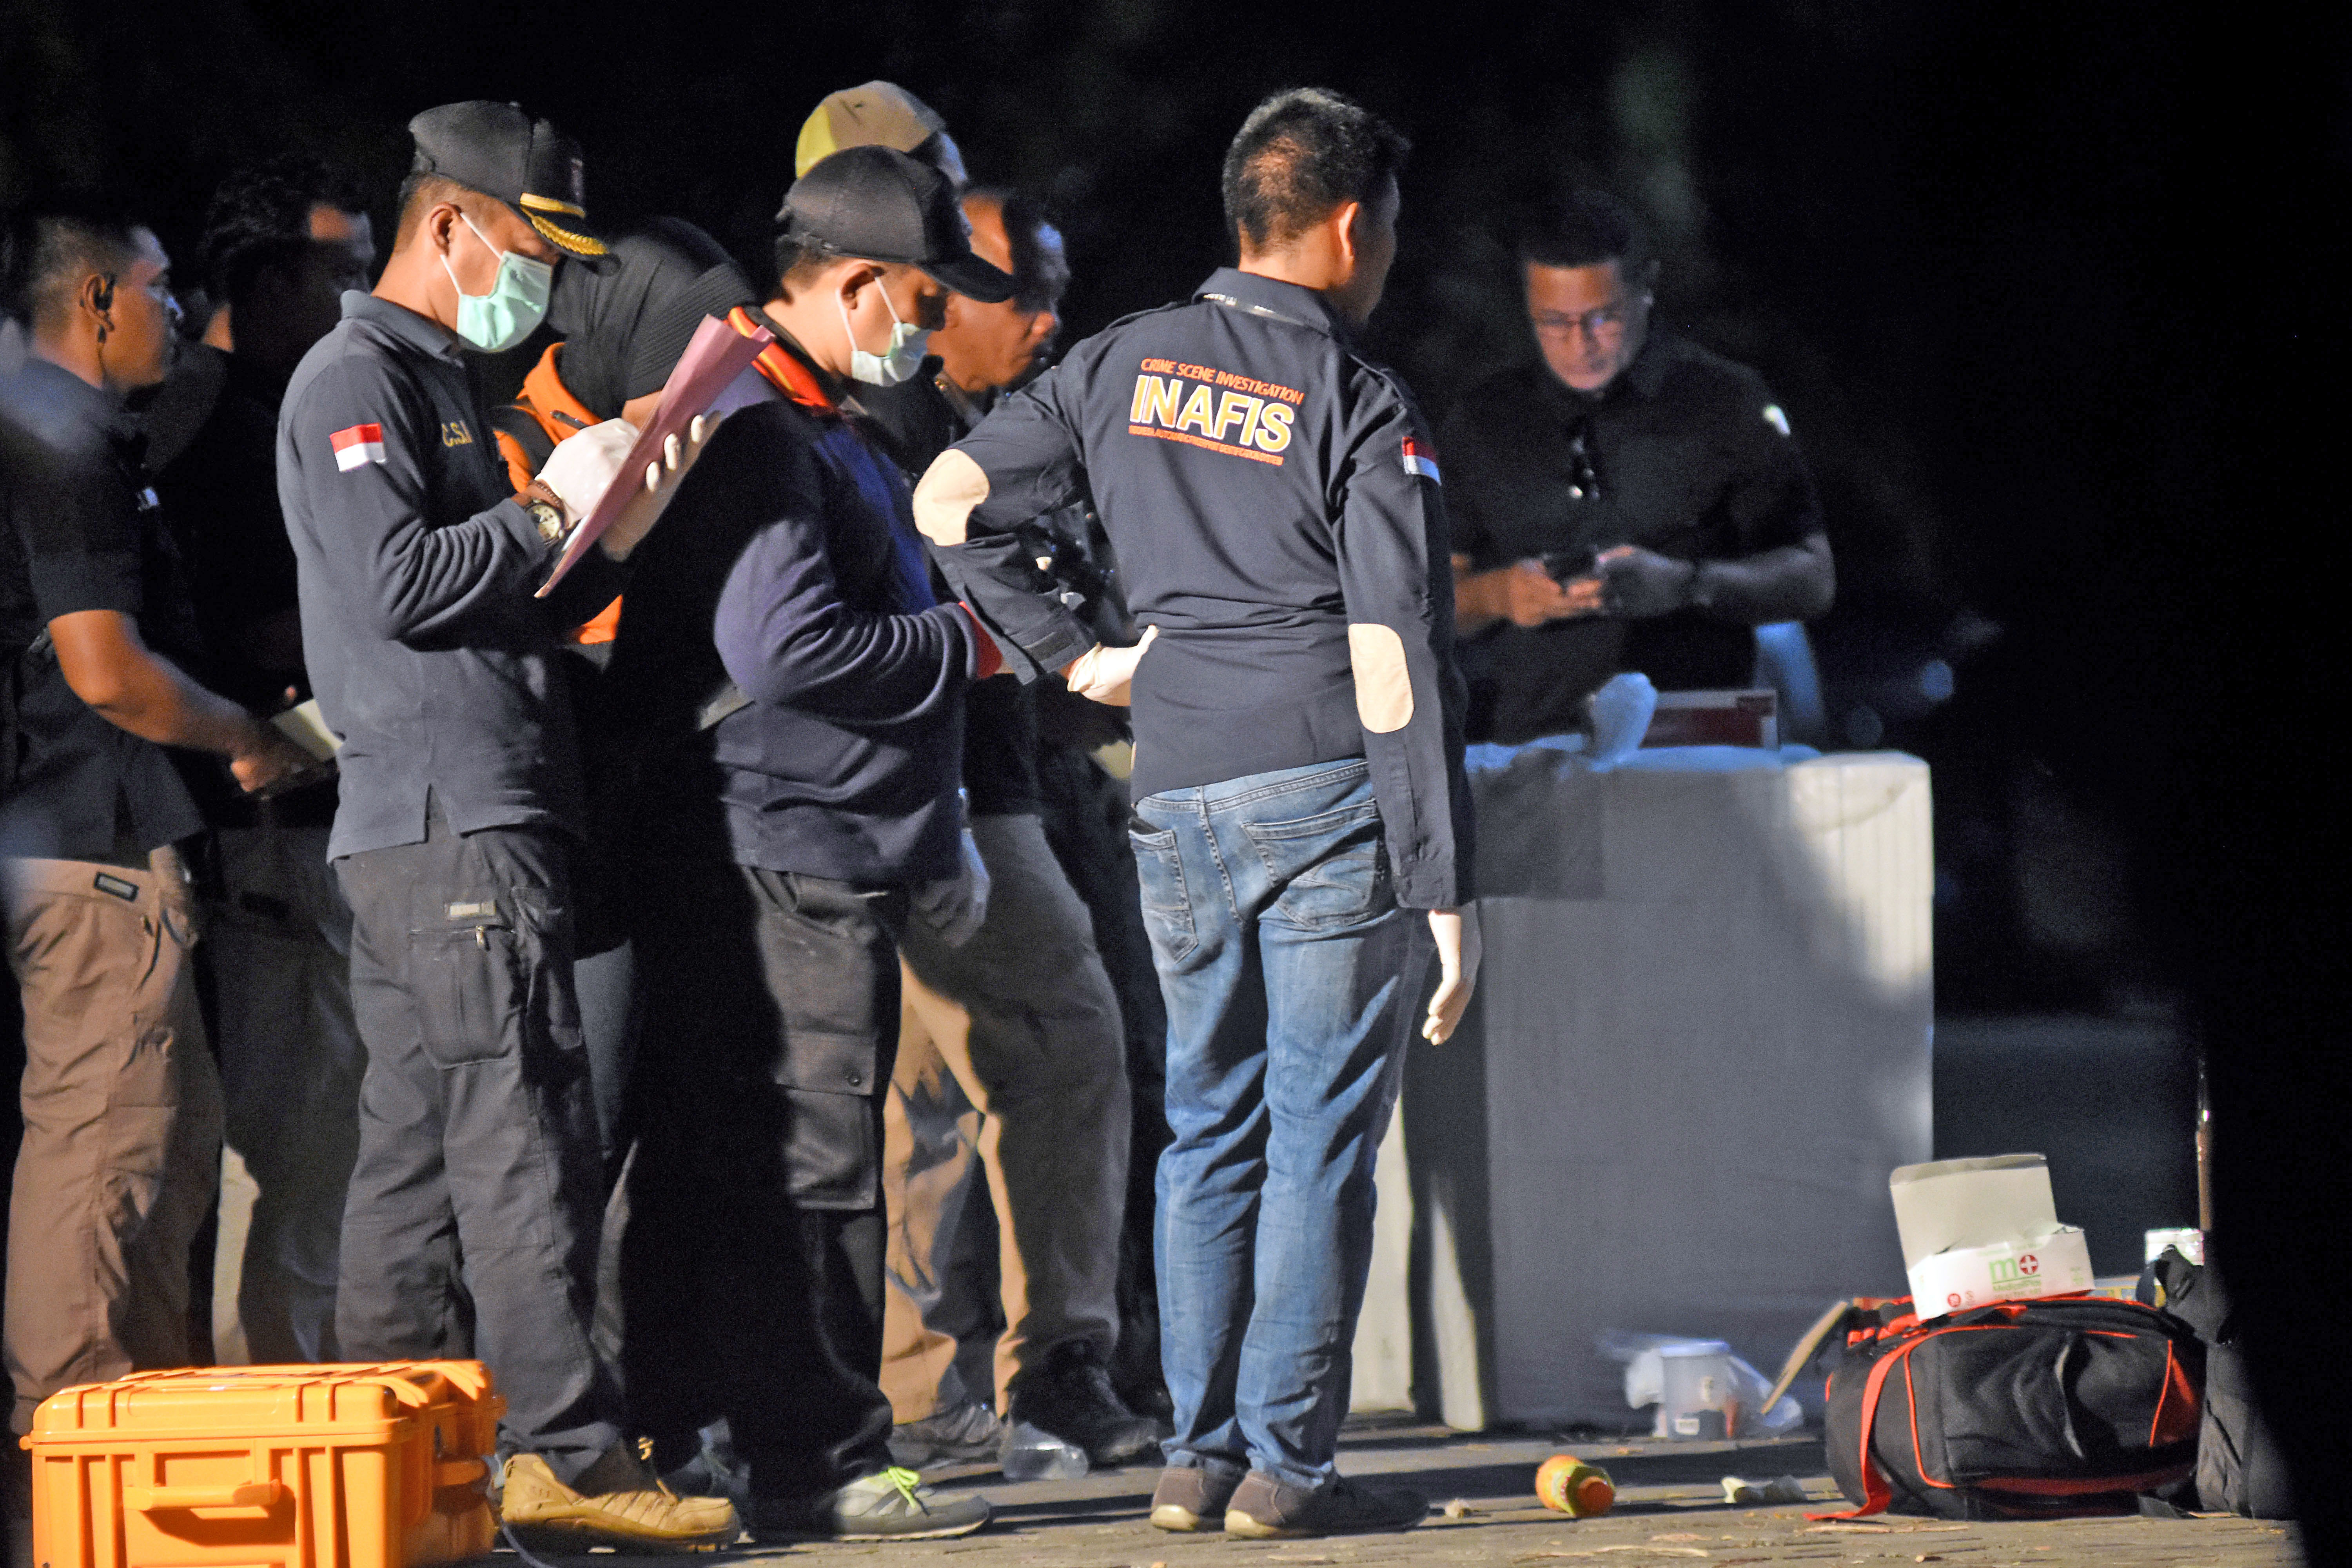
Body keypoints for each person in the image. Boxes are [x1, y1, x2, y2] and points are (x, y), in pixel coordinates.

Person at [913, 87, 1480, 1539]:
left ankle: (1196, 1456)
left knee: (1208, 1129)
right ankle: (1287, 1470)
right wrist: (1442, 881)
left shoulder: (1120, 361)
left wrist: (1075, 651)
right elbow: (1390, 654)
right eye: (1393, 227)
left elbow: (949, 497)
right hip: (1325, 794)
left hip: (1176, 793)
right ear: (1352, 228)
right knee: (1317, 1141)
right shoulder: (1358, 405)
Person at [274, 101, 734, 1551]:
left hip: (453, 819)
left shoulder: (446, 384)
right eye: (535, 246)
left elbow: (478, 590)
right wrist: (548, 513)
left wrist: (596, 523)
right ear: (450, 223)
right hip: (454, 820)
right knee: (523, 1136)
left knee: (411, 1168)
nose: (548, 280)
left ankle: (393, 1474)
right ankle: (570, 1459)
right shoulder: (359, 377)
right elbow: (403, 584)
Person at [601, 143, 1014, 1543]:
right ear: (849, 281)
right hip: (794, 858)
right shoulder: (771, 432)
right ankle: (817, 1458)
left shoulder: (814, 417)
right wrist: (965, 641)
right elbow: (786, 650)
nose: (935, 321)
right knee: (820, 1170)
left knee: (751, 1160)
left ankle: (712, 1433)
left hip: (811, 848)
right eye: (918, 292)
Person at [791, 83, 1159, 1472]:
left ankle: (949, 1397)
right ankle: (1031, 1373)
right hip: (934, 805)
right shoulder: (869, 424)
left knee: (939, 1108)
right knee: (1049, 1056)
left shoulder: (986, 422)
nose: (1046, 314)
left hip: (983, 791)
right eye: (1014, 285)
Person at [0, 196, 317, 1436]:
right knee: (104, 1152)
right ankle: (74, 1431)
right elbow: (103, 668)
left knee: (151, 1149)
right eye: (158, 286)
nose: (177, 313)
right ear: (95, 299)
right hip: (95, 848)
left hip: (70, 838)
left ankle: (120, 1439)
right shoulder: (64, 440)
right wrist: (248, 738)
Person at [141, 156, 375, 1365]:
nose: (368, 292)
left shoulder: (268, 407)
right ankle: (273, 1423)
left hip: (293, 813)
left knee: (309, 1142)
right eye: (348, 269)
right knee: (291, 1146)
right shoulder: (213, 424)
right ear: (275, 277)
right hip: (265, 823)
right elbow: (229, 624)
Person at [488, 216, 758, 1169]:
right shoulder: (513, 452)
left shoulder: (691, 463)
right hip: (564, 854)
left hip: (666, 844)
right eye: (691, 358)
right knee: (568, 1137)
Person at [1442, 188, 1835, 743]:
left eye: (1601, 318)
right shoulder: (1484, 420)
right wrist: (1502, 594)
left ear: (1645, 288)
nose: (1579, 344)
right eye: (1553, 321)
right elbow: (1426, 601)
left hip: (1703, 739)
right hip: (1542, 744)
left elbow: (1813, 580)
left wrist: (1685, 585)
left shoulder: (1726, 401)